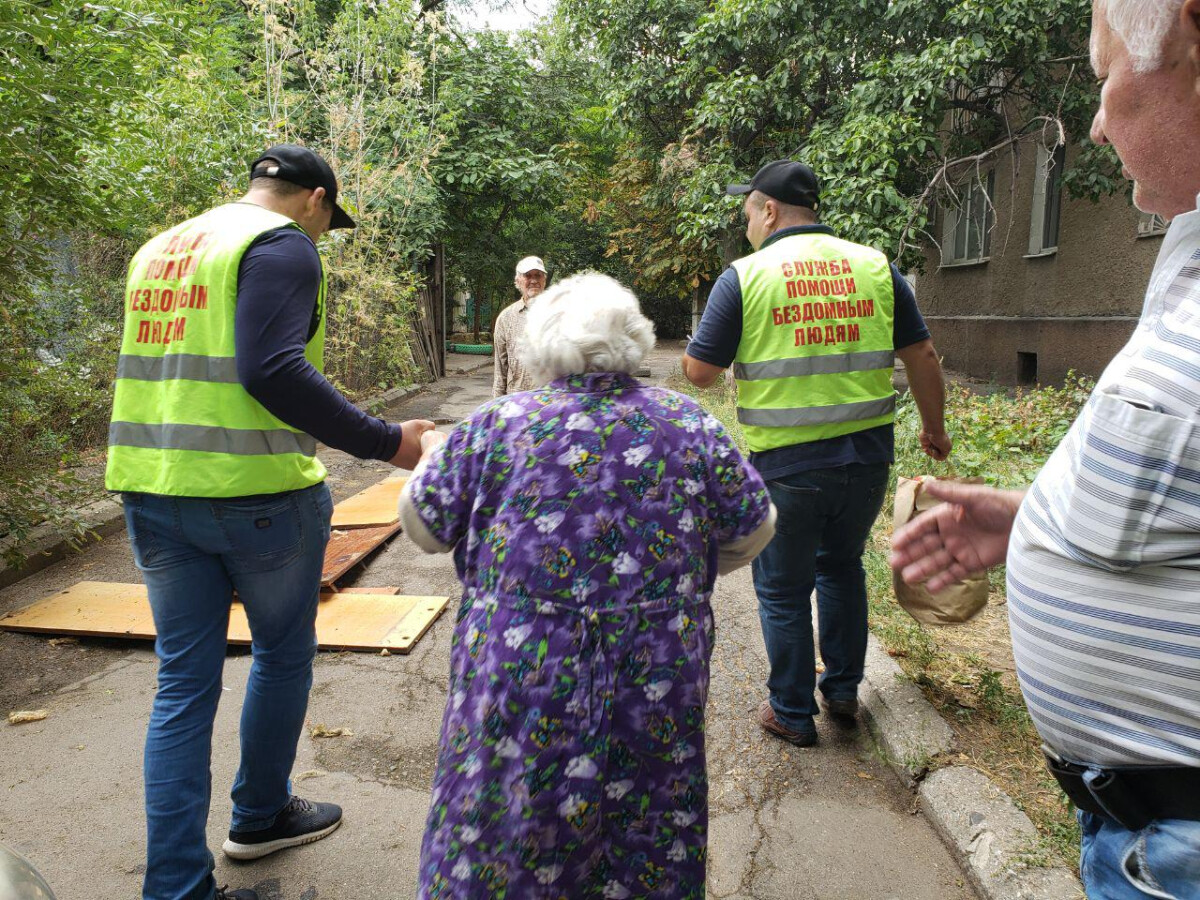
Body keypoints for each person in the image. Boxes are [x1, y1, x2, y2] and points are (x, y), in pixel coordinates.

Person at [891, 2, 1200, 895]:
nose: (1097, 122)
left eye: (1106, 78)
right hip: (1133, 829)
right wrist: (1027, 521)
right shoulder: (1185, 246)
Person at [105, 144, 434, 900]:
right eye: (328, 221)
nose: (322, 235)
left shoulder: (165, 246)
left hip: (152, 490)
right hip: (255, 494)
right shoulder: (281, 245)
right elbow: (270, 367)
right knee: (282, 655)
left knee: (183, 686)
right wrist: (390, 443)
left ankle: (179, 886)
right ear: (315, 199)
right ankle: (259, 816)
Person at [399, 273, 775, 899]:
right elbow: (753, 528)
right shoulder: (687, 423)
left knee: (508, 811)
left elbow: (425, 527)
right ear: (635, 339)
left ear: (539, 343)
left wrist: (437, 451)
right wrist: (678, 574)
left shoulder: (499, 425)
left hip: (522, 663)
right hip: (654, 662)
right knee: (652, 814)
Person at [682, 160, 951, 747]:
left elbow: (701, 374)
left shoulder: (746, 277)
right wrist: (935, 429)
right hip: (866, 461)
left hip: (788, 468)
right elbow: (922, 355)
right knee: (841, 566)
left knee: (781, 588)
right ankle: (845, 689)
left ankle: (792, 712)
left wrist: (691, 351)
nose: (747, 222)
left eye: (748, 210)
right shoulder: (876, 266)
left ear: (770, 210)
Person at [492, 254, 548, 397]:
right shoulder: (506, 318)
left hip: (551, 403)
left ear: (544, 280)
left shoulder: (559, 313)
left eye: (538, 275)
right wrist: (495, 407)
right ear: (518, 281)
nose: (534, 280)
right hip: (517, 403)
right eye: (528, 276)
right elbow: (500, 370)